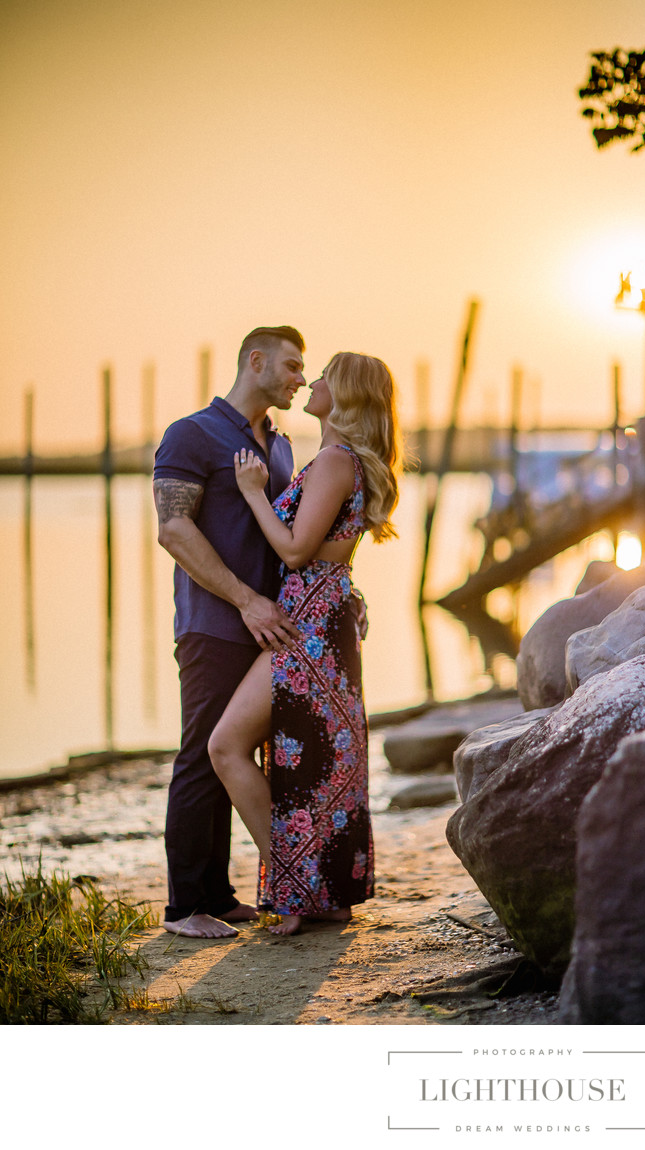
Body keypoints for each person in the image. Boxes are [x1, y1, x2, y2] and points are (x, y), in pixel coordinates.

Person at [208, 352, 403, 935]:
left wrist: (251, 492)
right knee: (320, 761)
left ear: (344, 395)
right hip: (321, 616)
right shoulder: (338, 462)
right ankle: (322, 893)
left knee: (226, 747)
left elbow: (295, 551)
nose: (312, 382)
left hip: (309, 626)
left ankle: (297, 890)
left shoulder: (335, 462)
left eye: (323, 377)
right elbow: (329, 552)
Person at [153, 325, 305, 939]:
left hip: (271, 629)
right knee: (201, 755)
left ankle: (218, 892)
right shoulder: (192, 434)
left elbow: (289, 539)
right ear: (256, 361)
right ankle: (184, 906)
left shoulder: (284, 446)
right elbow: (173, 530)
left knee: (236, 756)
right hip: (215, 625)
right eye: (292, 365)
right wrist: (246, 601)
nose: (300, 377)